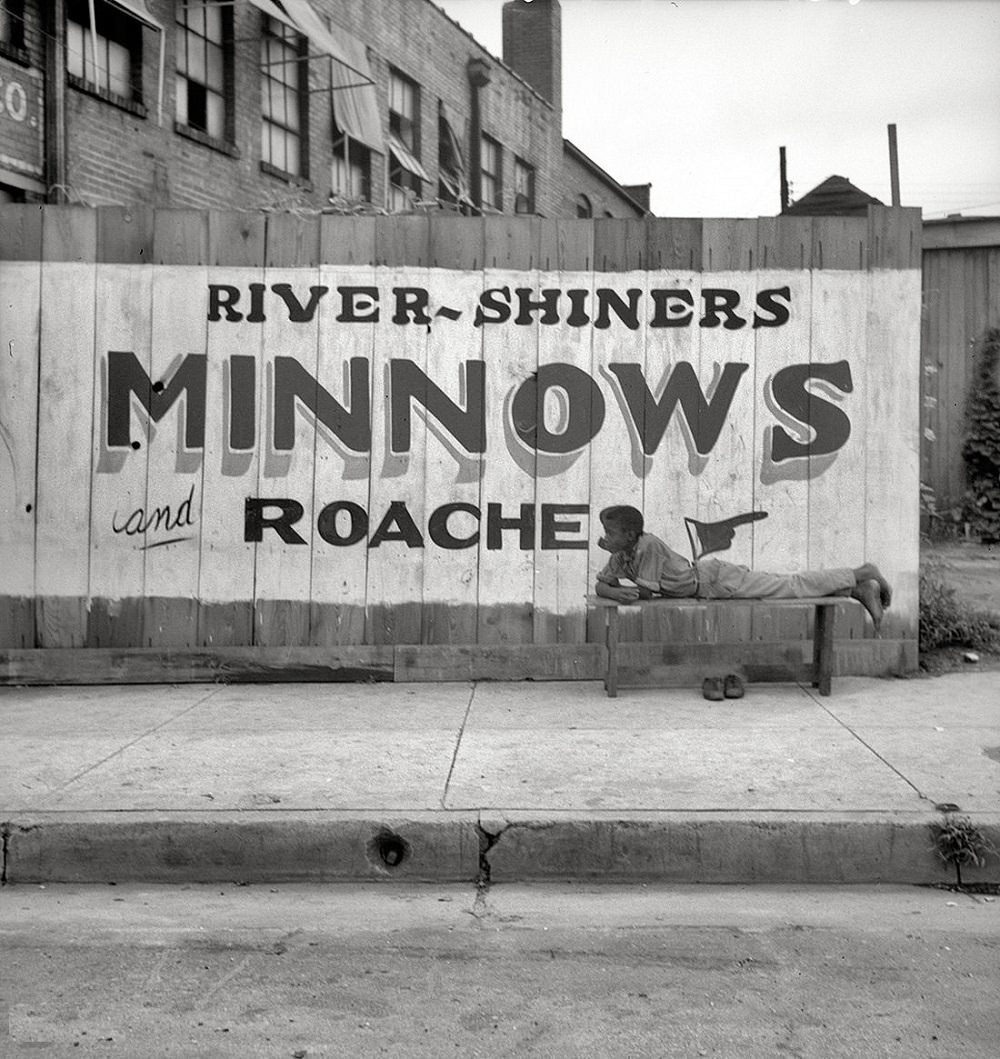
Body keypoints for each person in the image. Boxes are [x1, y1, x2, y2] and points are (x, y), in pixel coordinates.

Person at [594, 504, 892, 631]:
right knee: (789, 588)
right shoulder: (622, 554)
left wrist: (619, 591)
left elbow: (644, 595)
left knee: (789, 586)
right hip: (709, 588)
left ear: (630, 535)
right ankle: (856, 589)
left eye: (610, 534)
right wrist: (613, 589)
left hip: (718, 580)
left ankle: (861, 572)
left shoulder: (647, 545)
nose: (605, 539)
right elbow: (601, 584)